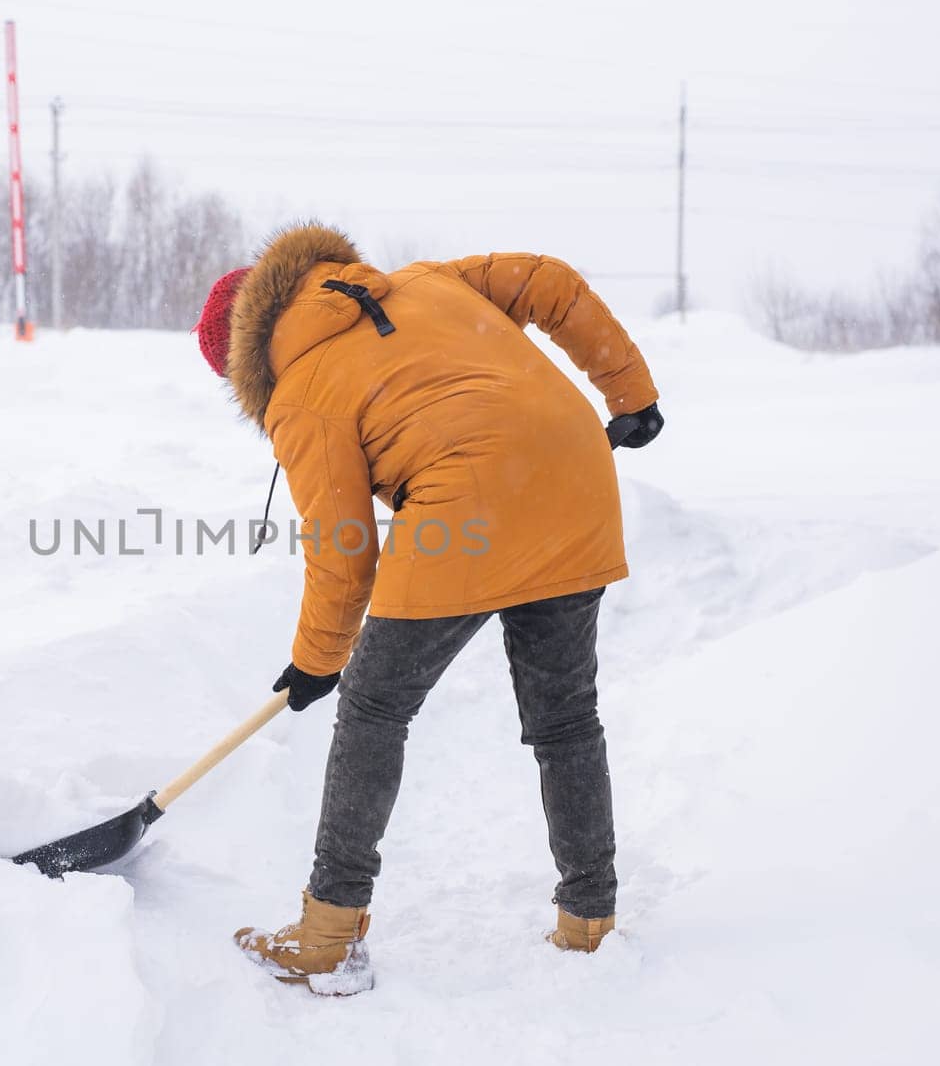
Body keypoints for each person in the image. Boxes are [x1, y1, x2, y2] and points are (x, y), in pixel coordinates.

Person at [192, 223, 664, 996]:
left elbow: (343, 553)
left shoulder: (300, 393)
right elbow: (547, 279)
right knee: (567, 717)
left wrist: (317, 662)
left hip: (471, 501)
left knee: (374, 708)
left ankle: (327, 934)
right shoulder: (421, 281)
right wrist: (630, 393)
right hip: (577, 474)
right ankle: (589, 923)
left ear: (245, 359)